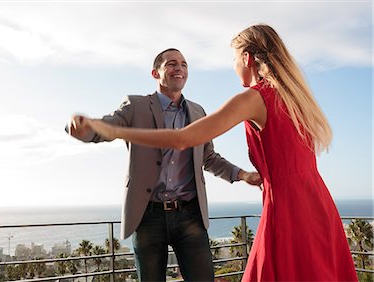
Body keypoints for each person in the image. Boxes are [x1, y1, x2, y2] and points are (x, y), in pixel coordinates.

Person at [83, 25, 358, 281]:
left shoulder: (253, 98)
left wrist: (116, 133)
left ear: (247, 58)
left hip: (286, 207)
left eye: (235, 58)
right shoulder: (296, 96)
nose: (235, 65)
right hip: (318, 202)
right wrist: (246, 175)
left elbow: (184, 140)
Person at [66, 48, 262, 281]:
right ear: (155, 73)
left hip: (190, 214)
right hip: (148, 216)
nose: (179, 68)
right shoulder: (135, 105)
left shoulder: (198, 112)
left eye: (184, 64)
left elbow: (208, 158)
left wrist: (242, 175)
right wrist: (83, 129)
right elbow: (107, 129)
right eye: (171, 64)